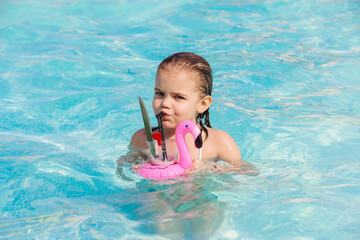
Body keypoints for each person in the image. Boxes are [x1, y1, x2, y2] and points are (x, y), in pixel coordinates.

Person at [130, 52, 258, 174]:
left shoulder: (217, 142)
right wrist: (138, 168)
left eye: (178, 97)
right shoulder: (143, 139)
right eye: (160, 93)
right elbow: (122, 168)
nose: (165, 103)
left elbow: (249, 171)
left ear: (202, 104)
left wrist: (210, 170)